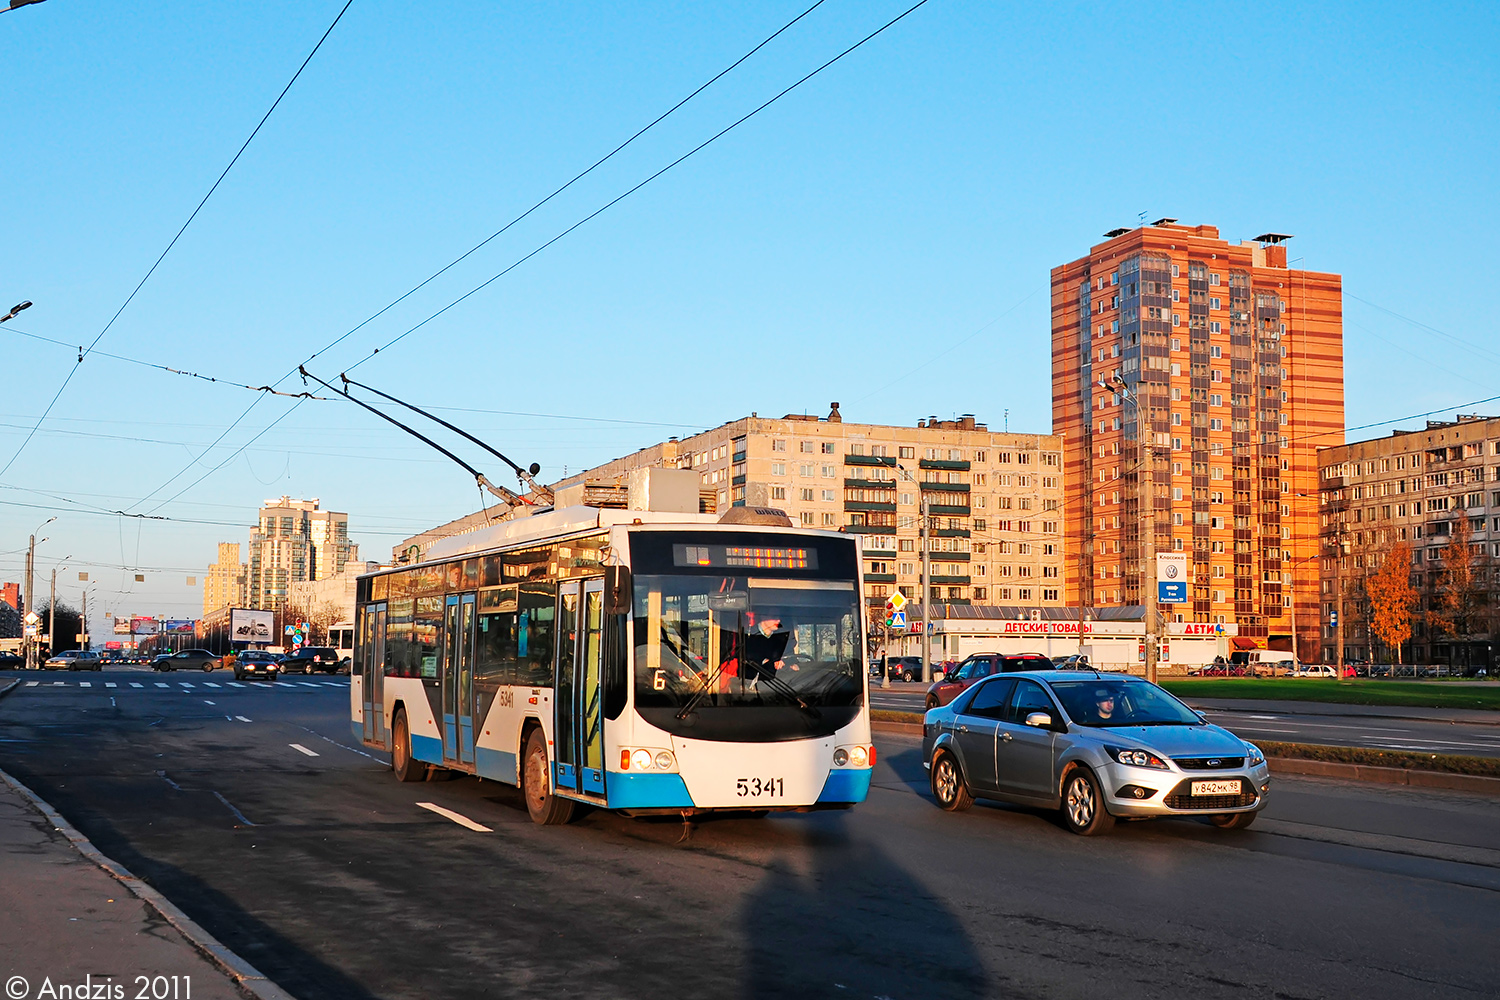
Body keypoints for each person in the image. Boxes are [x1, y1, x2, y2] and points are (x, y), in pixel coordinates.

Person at [741, 615, 790, 683]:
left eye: (779, 617)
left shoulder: (782, 636)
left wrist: (791, 663)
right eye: (774, 617)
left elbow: (788, 654)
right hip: (753, 682)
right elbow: (747, 656)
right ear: (763, 616)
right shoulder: (748, 634)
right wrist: (767, 661)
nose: (778, 620)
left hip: (780, 682)